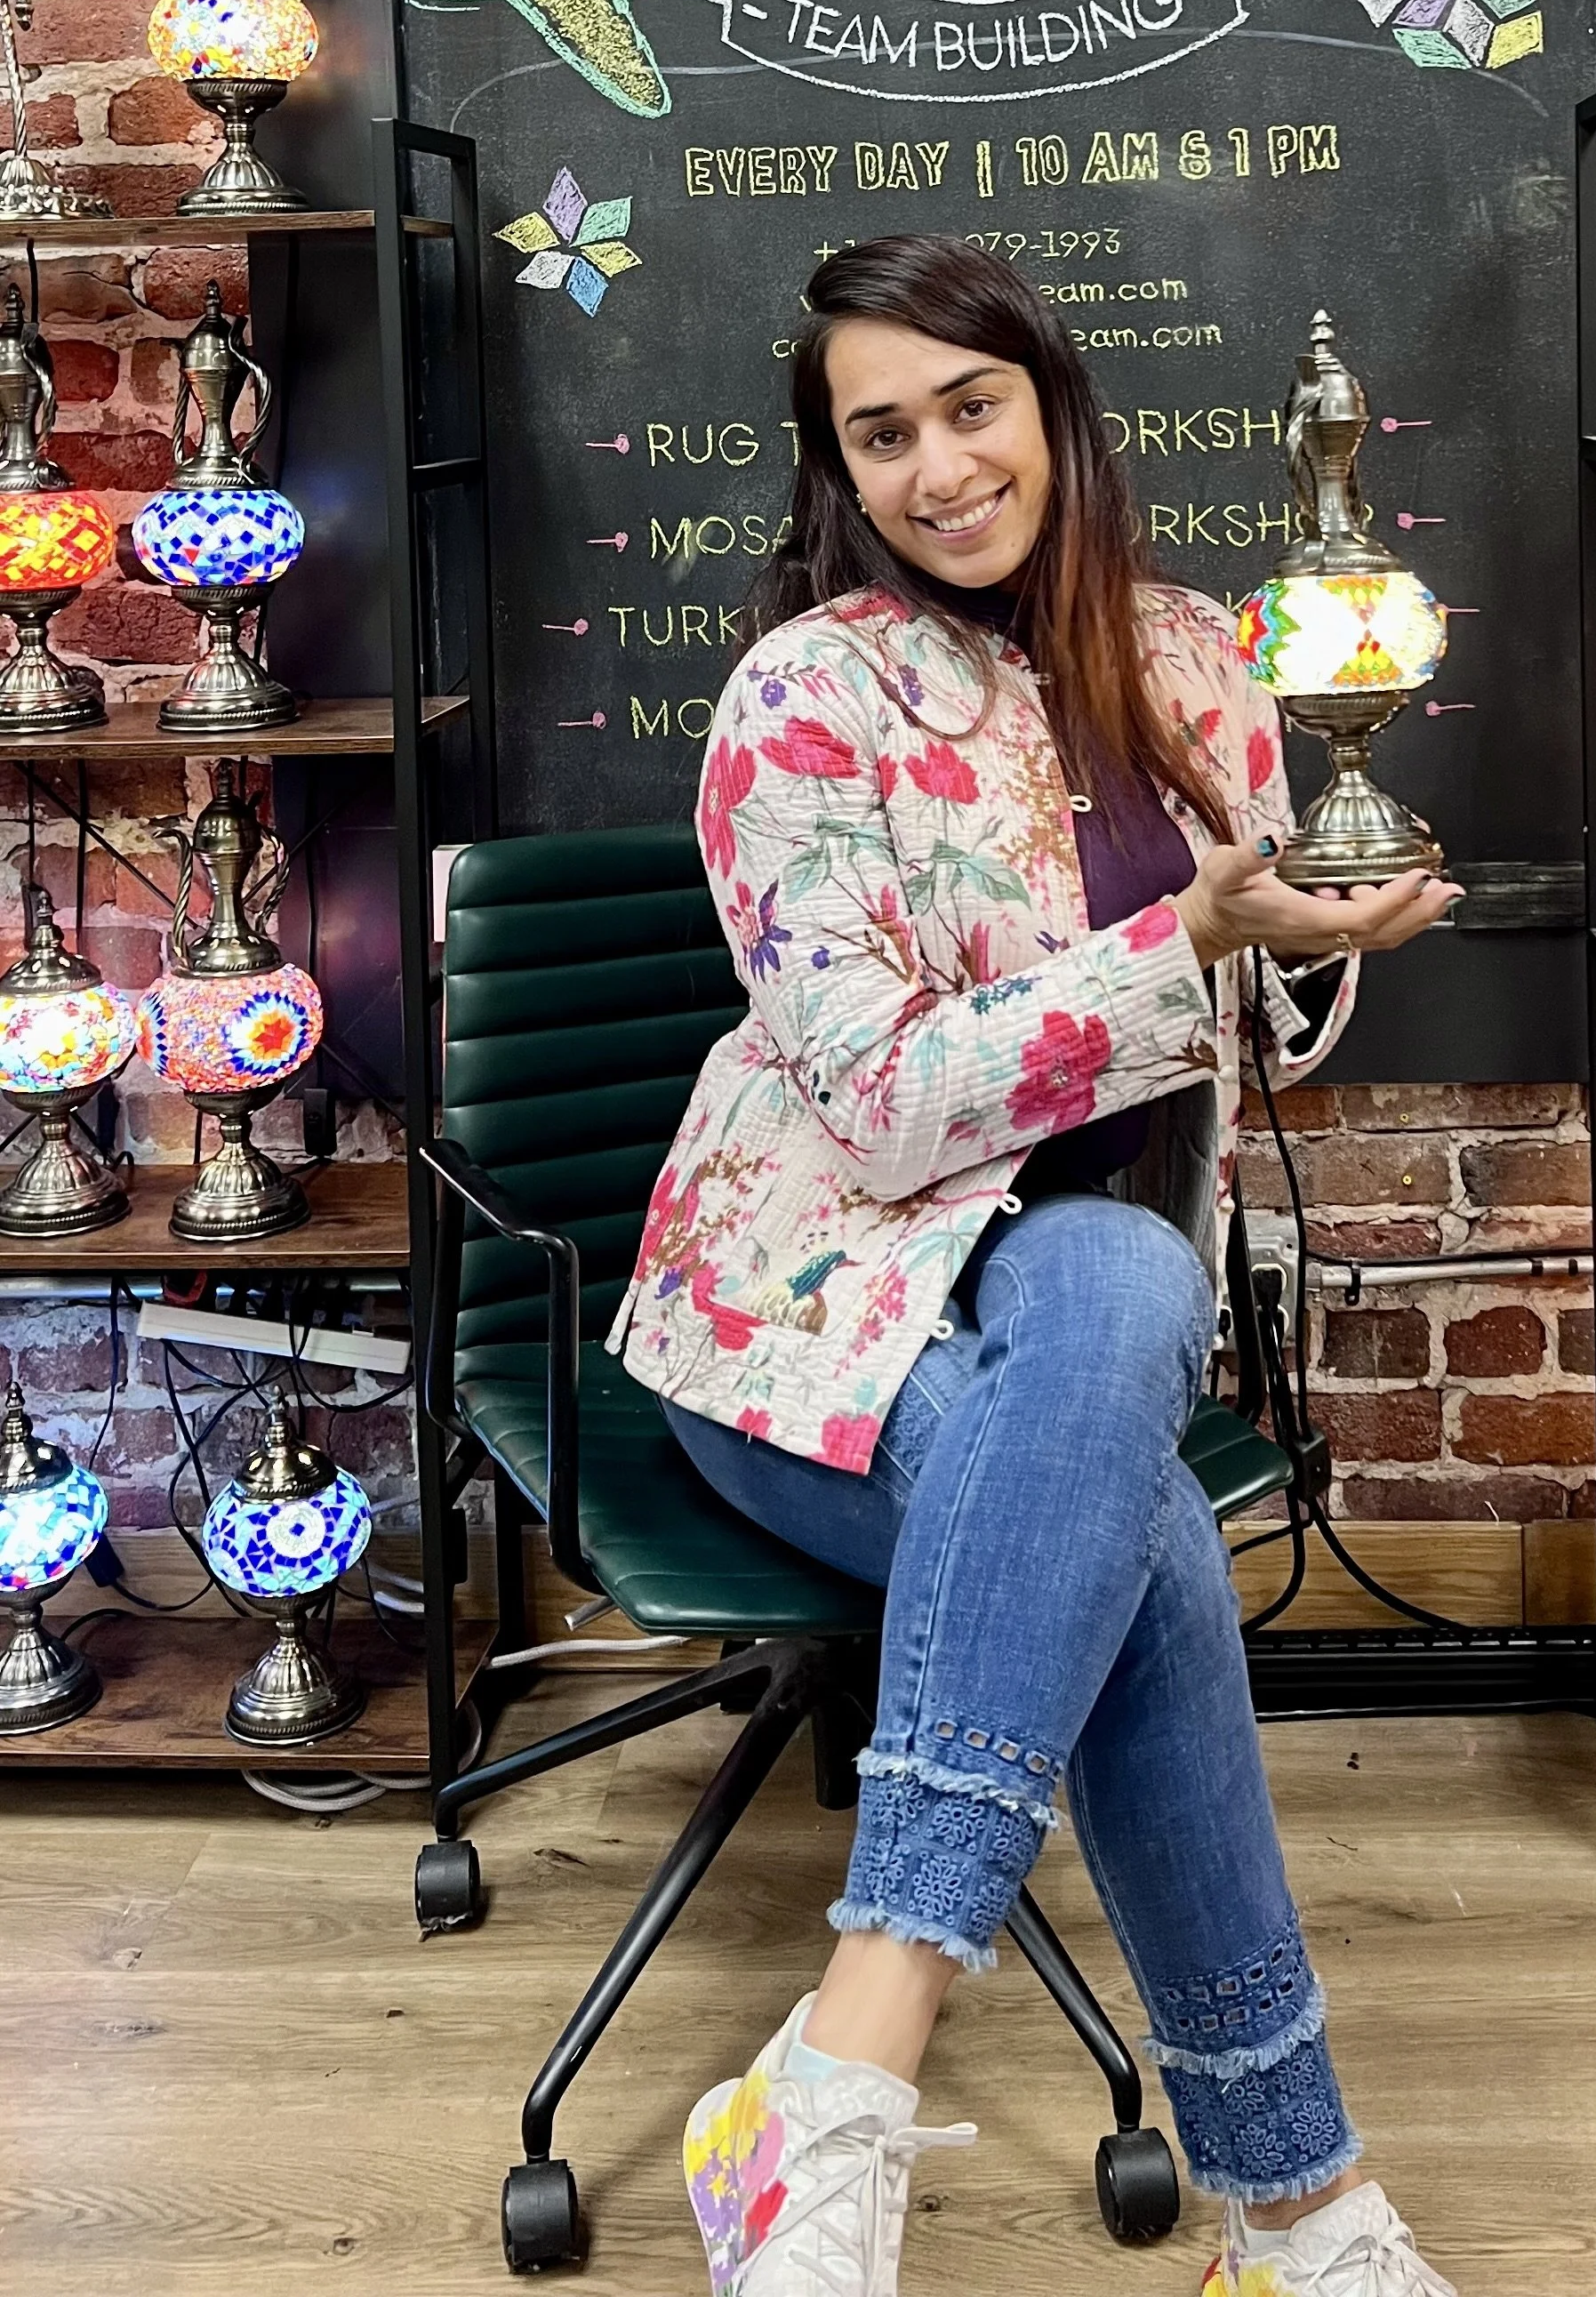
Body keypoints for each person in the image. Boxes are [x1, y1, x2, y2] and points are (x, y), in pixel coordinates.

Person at [610, 236, 1464, 2297]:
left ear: (1054, 408)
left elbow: (1253, 1042)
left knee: (1116, 1286)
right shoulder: (802, 700)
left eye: (969, 409)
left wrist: (1308, 960)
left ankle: (834, 2080)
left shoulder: (1195, 660)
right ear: (838, 468)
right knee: (1147, 1512)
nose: (938, 468)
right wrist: (1184, 950)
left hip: (1095, 1299)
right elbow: (891, 1106)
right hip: (807, 1323)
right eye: (879, 433)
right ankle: (1297, 2212)